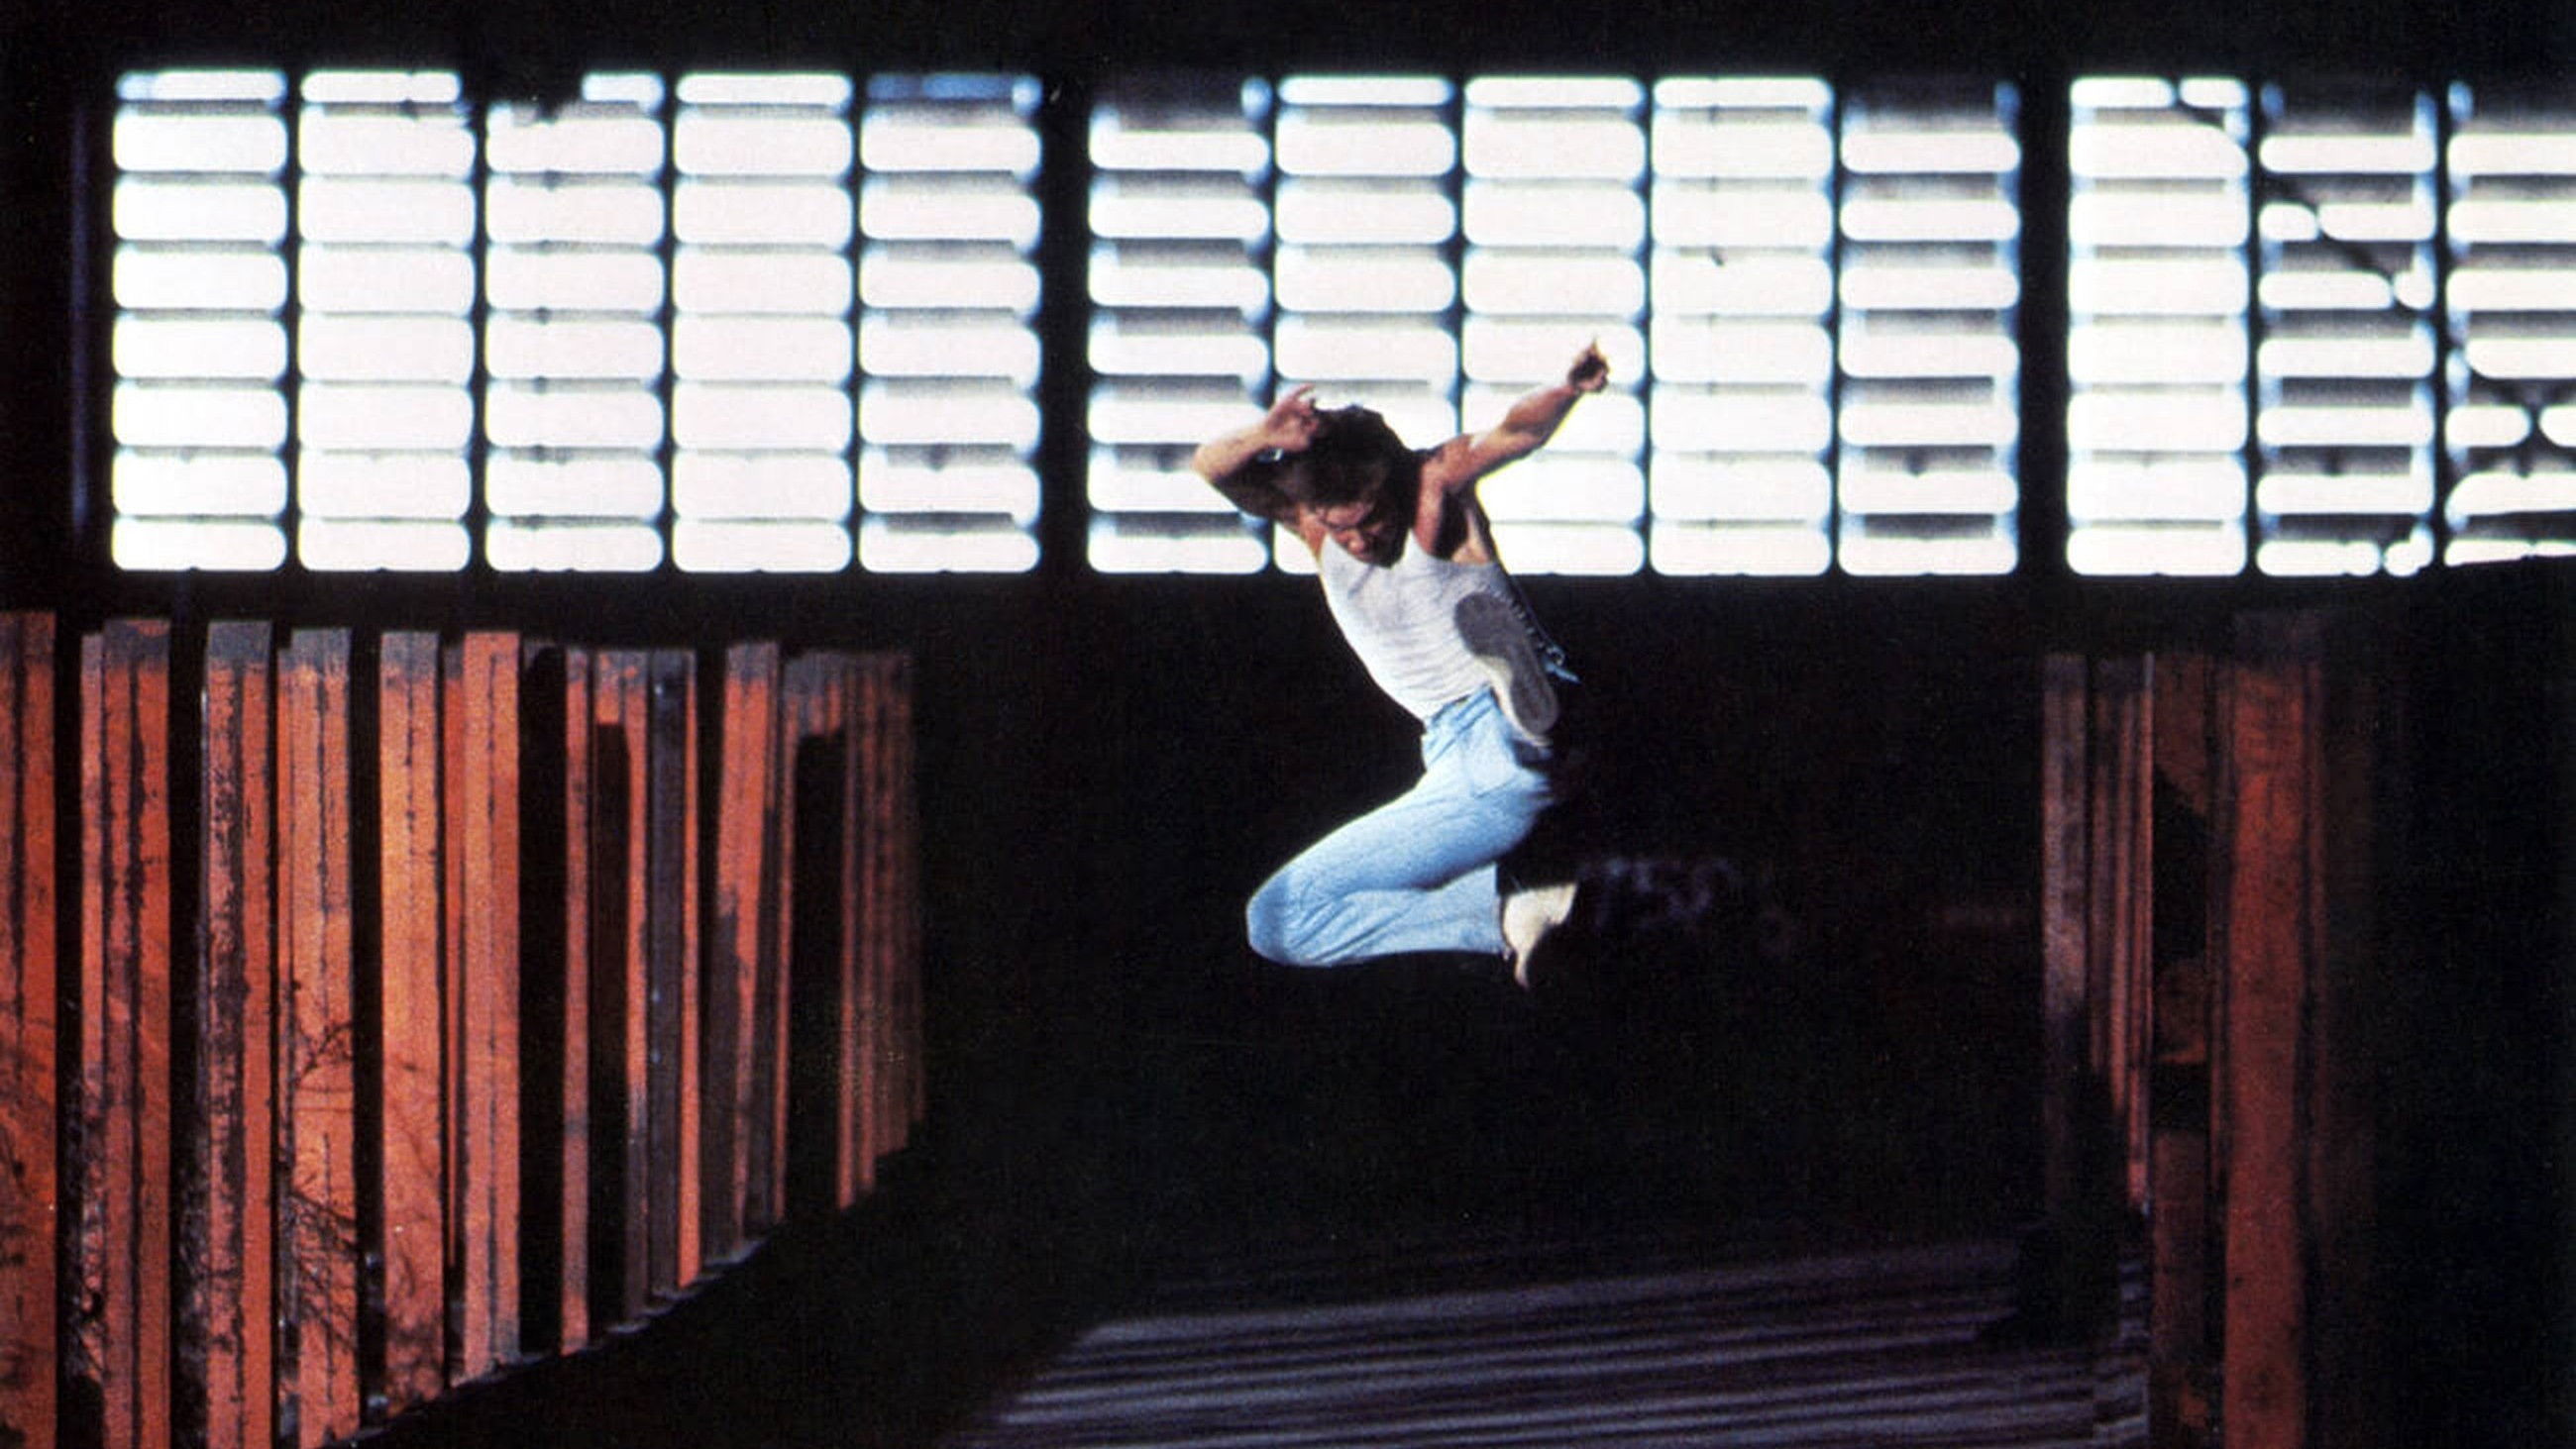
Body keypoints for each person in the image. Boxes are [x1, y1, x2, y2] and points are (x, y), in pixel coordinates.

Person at [1192, 343, 1609, 985]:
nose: (1360, 541)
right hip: (1462, 766)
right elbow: (1211, 467)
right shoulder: (1309, 520)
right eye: (1342, 528)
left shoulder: (1433, 485)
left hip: (1489, 735)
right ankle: (1506, 904)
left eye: (1372, 521)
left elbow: (1516, 433)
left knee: (1509, 741)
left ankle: (1529, 717)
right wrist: (1266, 435)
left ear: (1391, 484)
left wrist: (1567, 388)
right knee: (1278, 918)